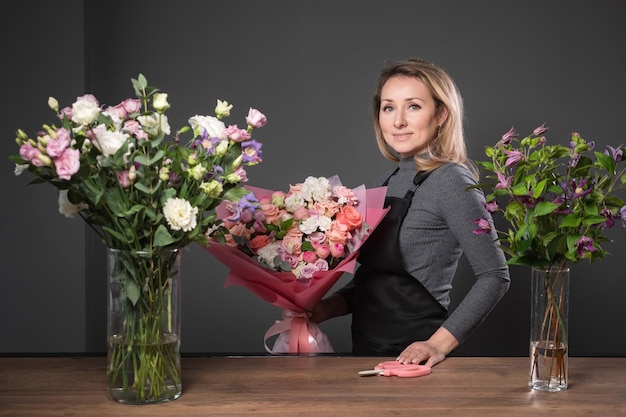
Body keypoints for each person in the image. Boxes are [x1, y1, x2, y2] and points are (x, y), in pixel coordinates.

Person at [308, 58, 510, 368]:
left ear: (441, 114)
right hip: (363, 350)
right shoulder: (384, 182)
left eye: (413, 106)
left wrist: (437, 344)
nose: (398, 121)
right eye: (389, 108)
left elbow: (495, 276)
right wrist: (325, 308)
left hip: (415, 363)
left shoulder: (451, 181)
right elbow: (374, 282)